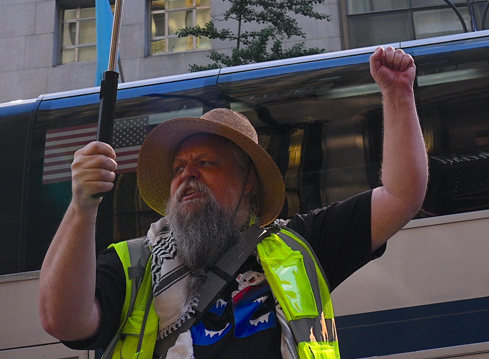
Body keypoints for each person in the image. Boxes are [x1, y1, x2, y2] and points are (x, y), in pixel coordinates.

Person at [38, 46, 427, 359]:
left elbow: (400, 196)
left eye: (205, 163)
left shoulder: (300, 245)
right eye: (177, 168)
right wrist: (82, 206)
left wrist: (397, 95)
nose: (186, 174)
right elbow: (62, 321)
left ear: (250, 184)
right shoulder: (134, 265)